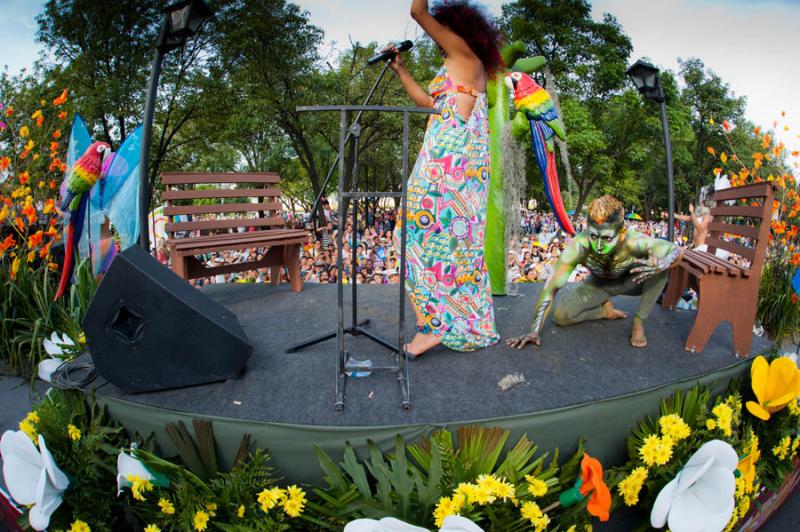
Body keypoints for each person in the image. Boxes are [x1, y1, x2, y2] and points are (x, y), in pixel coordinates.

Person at [389, 0, 502, 356]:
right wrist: (401, 70)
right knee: (450, 248)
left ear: (459, 29)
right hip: (445, 168)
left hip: (449, 171)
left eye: (444, 30)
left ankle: (431, 327)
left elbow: (418, 11)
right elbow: (429, 101)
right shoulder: (459, 66)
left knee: (406, 237)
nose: (438, 38)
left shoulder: (466, 56)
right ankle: (452, 322)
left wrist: (423, 14)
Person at [506, 195, 681, 349]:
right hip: (599, 284)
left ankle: (638, 321)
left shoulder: (634, 241)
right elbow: (550, 288)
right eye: (594, 236)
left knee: (660, 270)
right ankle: (605, 311)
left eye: (606, 238)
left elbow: (675, 249)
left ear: (621, 233)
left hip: (631, 282)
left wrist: (663, 262)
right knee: (561, 317)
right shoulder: (578, 246)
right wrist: (533, 331)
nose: (599, 246)